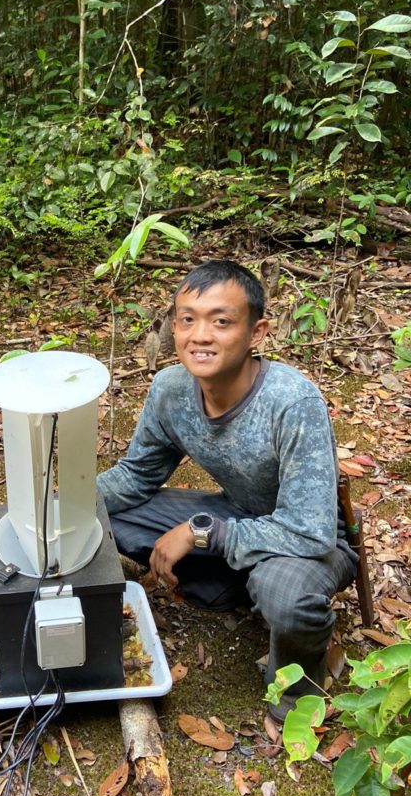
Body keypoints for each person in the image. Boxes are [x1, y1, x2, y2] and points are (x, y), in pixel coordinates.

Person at [97, 260, 357, 720]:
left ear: (256, 333)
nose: (200, 336)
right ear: (172, 327)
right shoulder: (171, 389)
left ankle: (296, 693)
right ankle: (227, 586)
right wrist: (63, 505)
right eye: (187, 320)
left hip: (309, 542)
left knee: (284, 591)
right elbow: (136, 476)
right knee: (106, 514)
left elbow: (312, 532)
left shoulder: (292, 402)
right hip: (237, 514)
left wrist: (201, 533)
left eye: (221, 321)